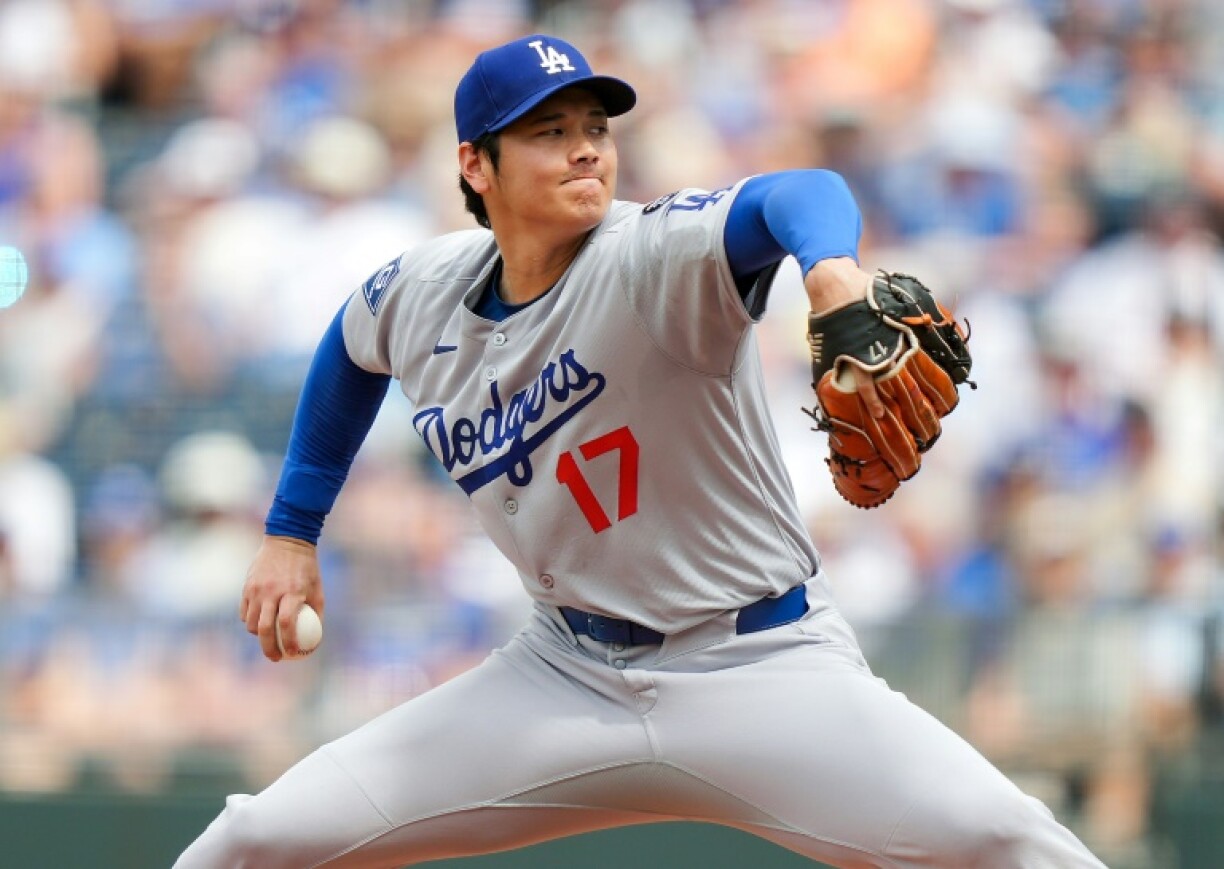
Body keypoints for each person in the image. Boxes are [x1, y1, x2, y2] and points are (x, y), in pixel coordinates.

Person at [175, 33, 1107, 868]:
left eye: (595, 125)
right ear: (476, 163)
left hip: (761, 667)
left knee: (1014, 842)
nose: (585, 146)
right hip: (561, 676)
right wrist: (292, 530)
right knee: (254, 840)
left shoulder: (653, 255)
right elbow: (349, 346)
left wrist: (828, 270)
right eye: (547, 132)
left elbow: (799, 192)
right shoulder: (423, 289)